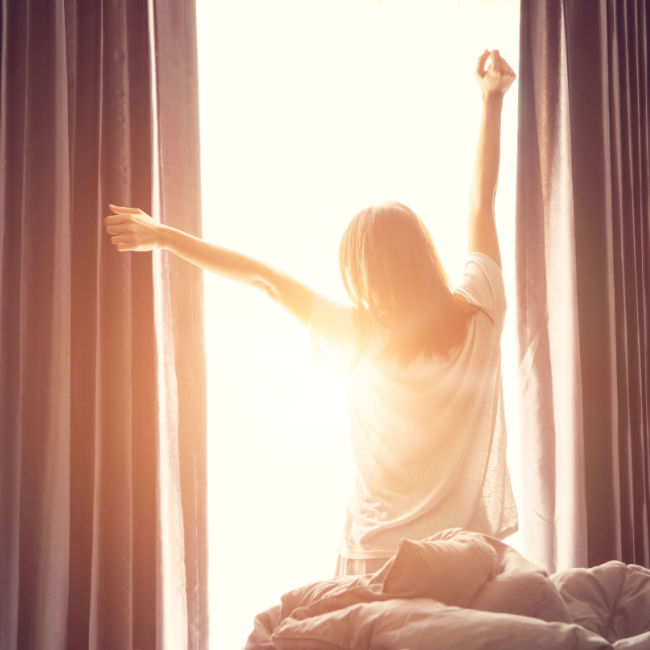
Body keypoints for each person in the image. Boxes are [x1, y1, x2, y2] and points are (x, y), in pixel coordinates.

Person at [104, 49, 518, 576]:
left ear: (364, 276)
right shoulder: (481, 309)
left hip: (378, 559)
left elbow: (265, 279)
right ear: (423, 254)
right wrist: (492, 100)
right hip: (467, 558)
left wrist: (165, 237)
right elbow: (481, 201)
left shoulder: (359, 335)